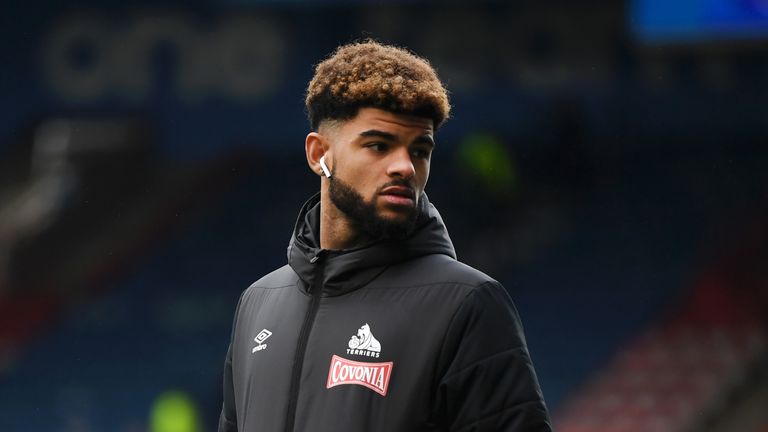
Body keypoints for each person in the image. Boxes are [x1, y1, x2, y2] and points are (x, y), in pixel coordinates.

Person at [218, 40, 551, 432]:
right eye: (379, 145)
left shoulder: (467, 305)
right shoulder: (258, 303)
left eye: (420, 150)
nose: (405, 167)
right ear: (318, 154)